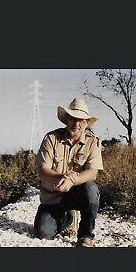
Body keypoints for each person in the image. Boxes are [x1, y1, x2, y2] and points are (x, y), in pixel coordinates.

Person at [34, 98, 103, 247]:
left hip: (77, 194)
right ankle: (67, 219)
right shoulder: (51, 139)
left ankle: (85, 236)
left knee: (91, 189)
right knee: (43, 234)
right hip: (54, 196)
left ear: (86, 123)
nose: (76, 124)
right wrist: (62, 177)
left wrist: (72, 180)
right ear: (66, 120)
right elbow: (42, 170)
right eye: (73, 119)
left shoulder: (93, 142)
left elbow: (92, 172)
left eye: (81, 120)